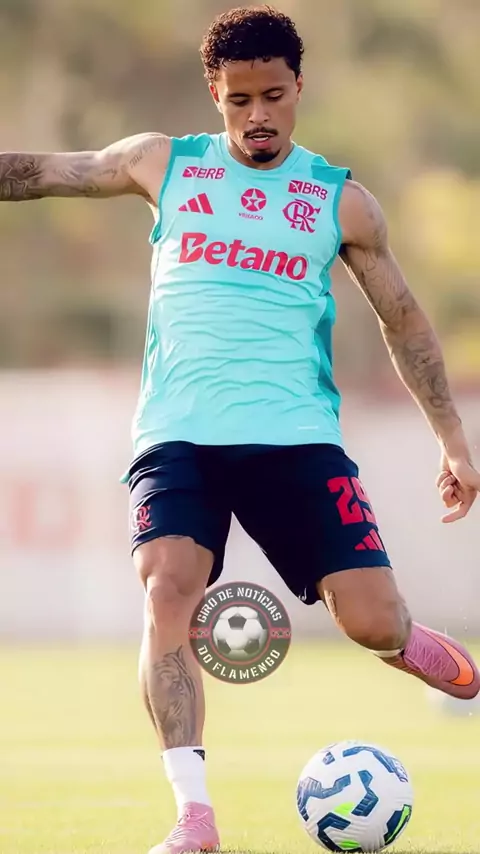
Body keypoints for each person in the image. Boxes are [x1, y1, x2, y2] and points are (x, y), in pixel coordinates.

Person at [2, 5, 479, 853]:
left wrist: (451, 438)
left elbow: (404, 322)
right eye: (239, 100)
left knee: (374, 624)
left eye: (273, 96)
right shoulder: (162, 163)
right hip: (177, 434)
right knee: (167, 590)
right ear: (214, 94)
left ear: (299, 88)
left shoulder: (342, 203)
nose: (257, 115)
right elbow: (45, 172)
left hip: (296, 439)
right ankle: (194, 816)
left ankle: (415, 643)